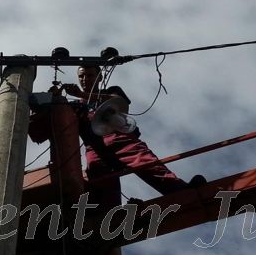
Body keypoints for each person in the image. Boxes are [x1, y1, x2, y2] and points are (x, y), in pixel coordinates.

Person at [61, 65, 204, 197]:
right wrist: (56, 98)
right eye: (81, 76)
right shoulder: (73, 106)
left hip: (121, 139)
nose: (85, 79)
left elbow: (118, 101)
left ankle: (180, 190)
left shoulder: (111, 91)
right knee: (99, 179)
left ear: (99, 78)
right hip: (95, 148)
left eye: (90, 75)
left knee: (147, 163)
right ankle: (107, 215)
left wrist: (82, 94)